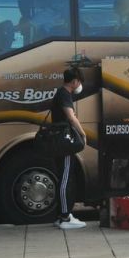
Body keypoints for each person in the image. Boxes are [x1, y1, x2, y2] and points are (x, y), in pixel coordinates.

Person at [51, 67, 88, 230]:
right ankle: (65, 217)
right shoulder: (64, 94)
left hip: (60, 141)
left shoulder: (61, 93)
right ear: (74, 81)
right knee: (65, 177)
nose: (79, 85)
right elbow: (71, 117)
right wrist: (83, 133)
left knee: (64, 177)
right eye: (79, 81)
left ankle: (63, 215)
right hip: (65, 142)